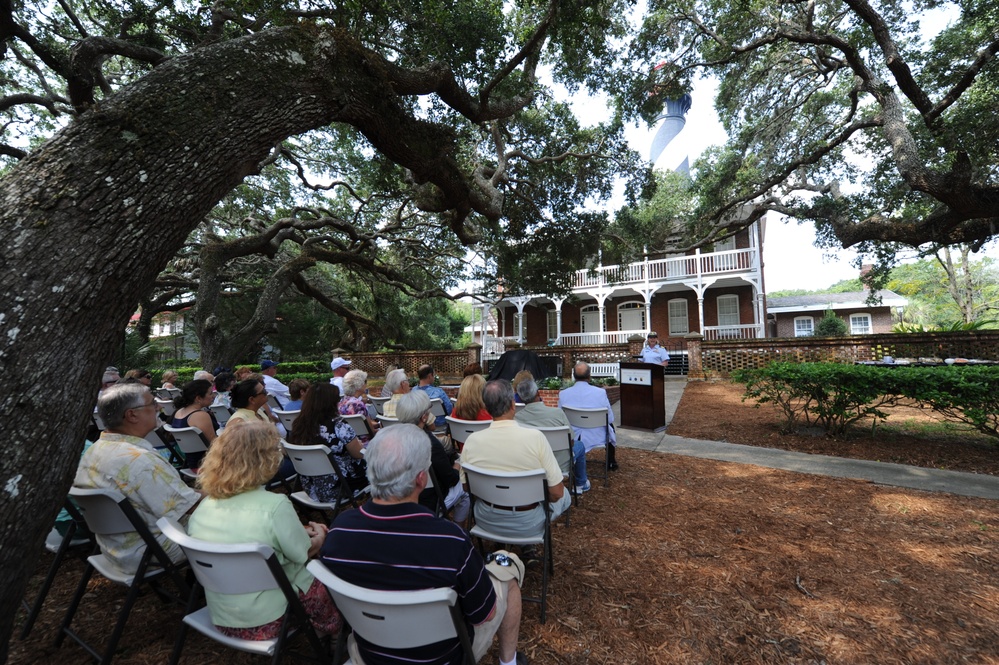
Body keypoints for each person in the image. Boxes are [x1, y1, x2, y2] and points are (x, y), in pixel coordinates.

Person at [320, 424, 528, 665]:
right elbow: (485, 614)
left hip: (370, 653)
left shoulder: (339, 531)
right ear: (421, 478)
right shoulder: (450, 540)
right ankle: (508, 662)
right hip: (443, 658)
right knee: (507, 568)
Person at [186, 420, 341, 640]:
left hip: (224, 616)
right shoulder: (275, 506)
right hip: (274, 617)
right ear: (267, 458)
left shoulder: (204, 507)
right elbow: (302, 553)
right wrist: (321, 535)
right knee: (325, 573)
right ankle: (334, 635)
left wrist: (298, 531)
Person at [75, 383, 201, 574]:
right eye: (152, 404)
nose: (158, 407)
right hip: (151, 553)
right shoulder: (139, 460)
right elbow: (189, 506)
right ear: (132, 415)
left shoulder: (93, 450)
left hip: (116, 550)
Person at [461, 380, 570, 553]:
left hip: (486, 520)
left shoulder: (471, 441)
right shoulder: (535, 438)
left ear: (487, 408)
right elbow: (557, 493)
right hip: (528, 523)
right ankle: (526, 544)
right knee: (565, 495)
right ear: (513, 404)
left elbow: (466, 487)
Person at [395, 391, 469, 524]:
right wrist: (457, 465)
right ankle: (457, 531)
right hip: (428, 502)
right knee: (465, 489)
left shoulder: (391, 440)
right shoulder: (429, 444)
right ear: (424, 417)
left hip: (398, 497)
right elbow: (450, 479)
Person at [289, 383, 368, 497]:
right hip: (341, 486)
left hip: (312, 487)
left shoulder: (299, 425)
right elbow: (358, 454)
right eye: (338, 399)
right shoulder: (339, 426)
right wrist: (359, 445)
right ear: (331, 403)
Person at [514, 378, 590, 493]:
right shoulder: (557, 413)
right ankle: (580, 483)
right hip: (560, 462)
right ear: (538, 393)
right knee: (580, 445)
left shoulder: (516, 418)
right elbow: (571, 442)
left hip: (531, 462)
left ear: (520, 397)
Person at [558, 362, 618, 471]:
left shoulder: (563, 393)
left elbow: (560, 417)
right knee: (611, 427)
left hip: (573, 433)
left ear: (574, 377)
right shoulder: (600, 393)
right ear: (589, 377)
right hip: (596, 433)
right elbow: (610, 418)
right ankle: (611, 461)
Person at [171, 380, 220, 467]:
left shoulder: (179, 412)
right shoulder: (200, 415)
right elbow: (214, 443)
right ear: (198, 398)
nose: (213, 396)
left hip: (189, 462)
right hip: (207, 463)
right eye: (210, 393)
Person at [338, 369, 379, 444]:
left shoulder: (341, 402)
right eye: (365, 381)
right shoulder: (358, 404)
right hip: (365, 443)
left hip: (349, 442)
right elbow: (371, 431)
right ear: (358, 385)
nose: (366, 384)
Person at [413, 364, 453, 428]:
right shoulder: (439, 392)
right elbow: (449, 410)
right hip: (440, 426)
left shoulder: (413, 392)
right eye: (433, 375)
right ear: (429, 376)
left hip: (419, 426)